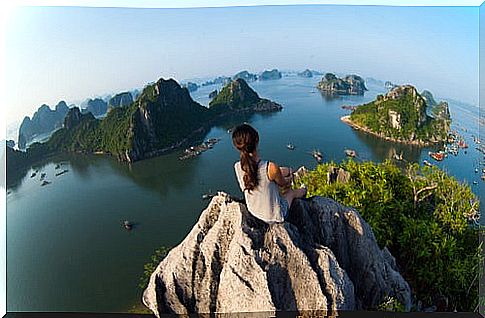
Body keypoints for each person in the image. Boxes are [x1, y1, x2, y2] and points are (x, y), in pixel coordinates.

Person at [232, 124, 307, 224]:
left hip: (253, 211)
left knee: (278, 173)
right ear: (257, 140)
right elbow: (283, 184)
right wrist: (289, 177)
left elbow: (258, 172)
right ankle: (304, 189)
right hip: (272, 217)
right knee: (291, 193)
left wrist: (285, 171)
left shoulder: (238, 166)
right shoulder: (270, 167)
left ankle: (289, 171)